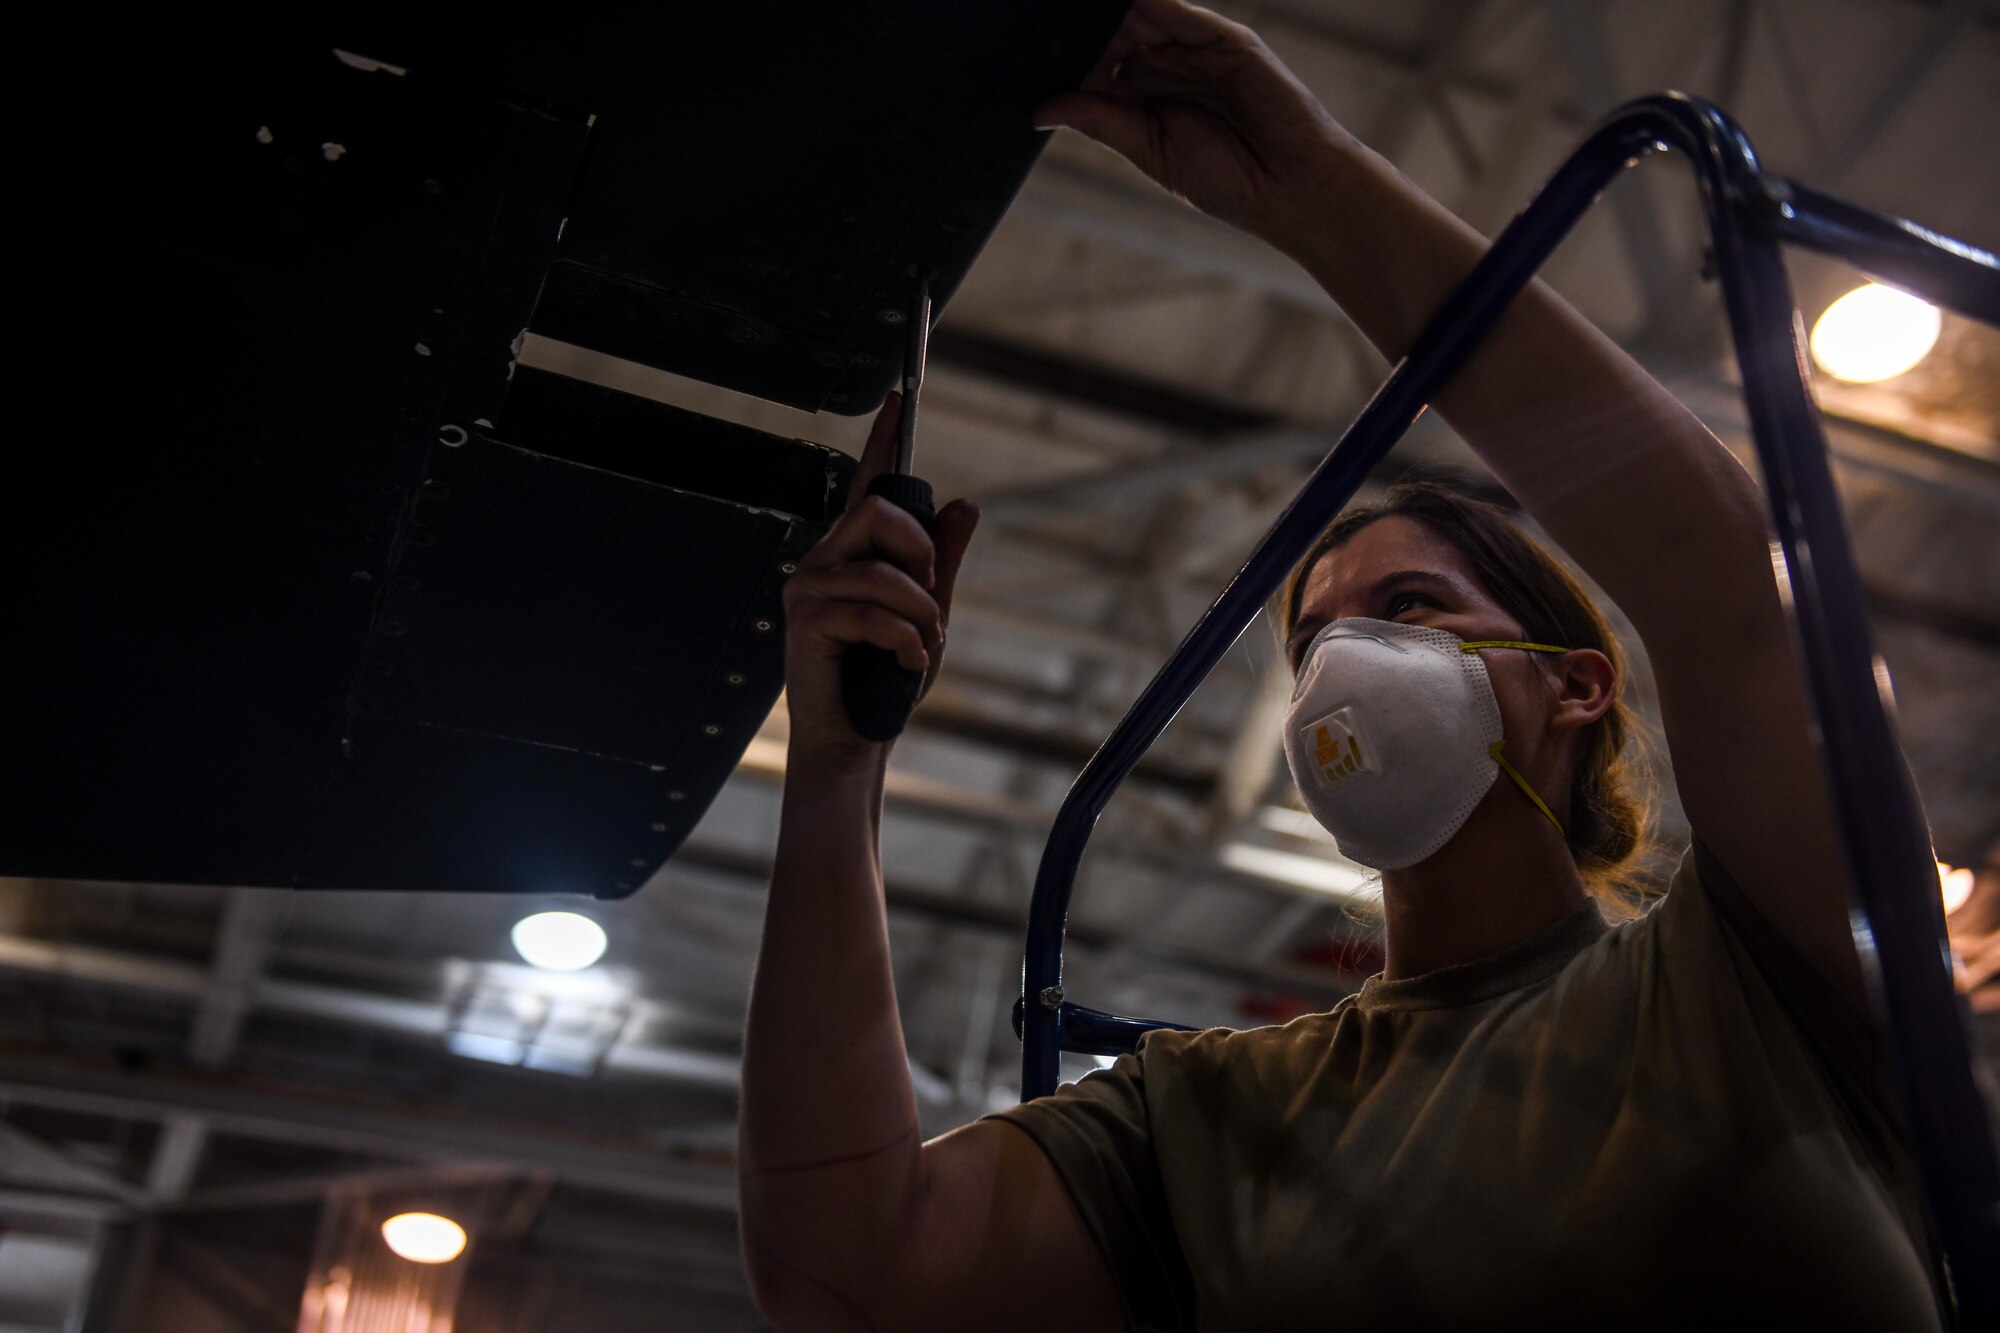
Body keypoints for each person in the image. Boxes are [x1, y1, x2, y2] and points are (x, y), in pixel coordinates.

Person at [735, 1, 1947, 1328]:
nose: (1345, 669)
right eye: (1315, 642)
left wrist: (1313, 194)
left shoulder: (1749, 973)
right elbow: (846, 1266)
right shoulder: (1206, 1117)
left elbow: (1727, 583)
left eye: (1414, 604)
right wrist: (836, 768)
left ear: (1576, 682)